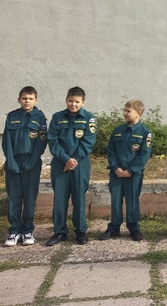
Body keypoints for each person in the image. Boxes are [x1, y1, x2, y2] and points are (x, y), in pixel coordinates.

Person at [46, 86, 97, 246]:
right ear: (66, 100)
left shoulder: (89, 118)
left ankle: (80, 231)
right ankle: (59, 231)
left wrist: (74, 159)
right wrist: (66, 159)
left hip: (80, 164)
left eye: (77, 102)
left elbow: (88, 141)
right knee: (60, 198)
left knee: (79, 197)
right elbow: (52, 141)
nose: (73, 104)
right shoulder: (57, 117)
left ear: (83, 102)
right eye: (70, 101)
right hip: (60, 163)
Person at [100, 100, 152, 242]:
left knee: (132, 201)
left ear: (138, 113)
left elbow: (144, 154)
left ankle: (134, 228)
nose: (125, 113)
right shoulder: (118, 131)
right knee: (115, 200)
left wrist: (131, 170)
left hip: (133, 175)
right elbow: (111, 150)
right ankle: (114, 228)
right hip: (116, 173)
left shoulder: (145, 133)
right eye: (125, 110)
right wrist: (115, 167)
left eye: (129, 111)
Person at [2, 86, 47, 247]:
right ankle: (14, 231)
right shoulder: (12, 116)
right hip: (14, 161)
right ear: (19, 100)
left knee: (29, 198)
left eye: (30, 98)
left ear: (36, 100)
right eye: (24, 98)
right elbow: (6, 140)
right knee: (14, 198)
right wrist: (10, 161)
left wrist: (32, 161)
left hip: (31, 163)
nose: (27, 101)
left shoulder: (40, 117)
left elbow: (41, 141)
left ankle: (28, 230)